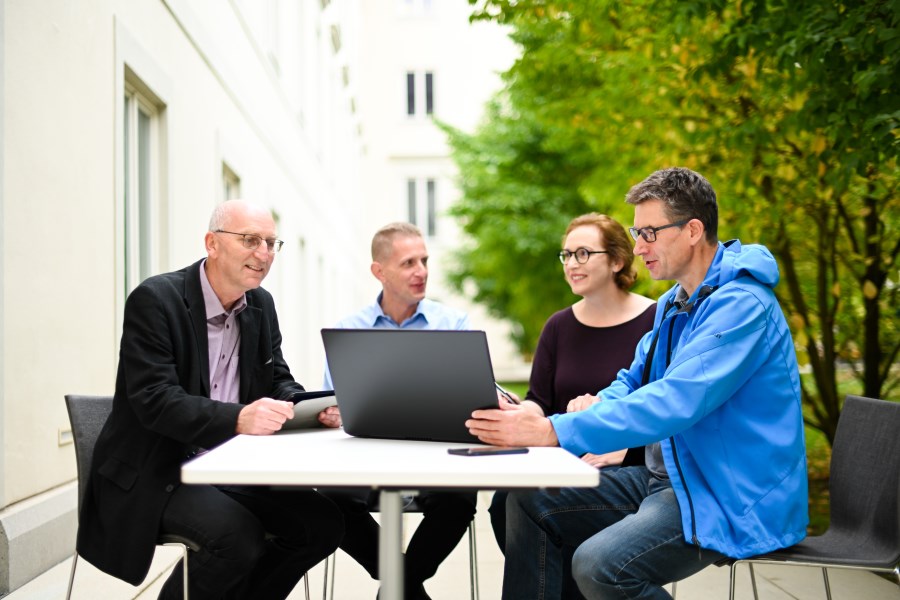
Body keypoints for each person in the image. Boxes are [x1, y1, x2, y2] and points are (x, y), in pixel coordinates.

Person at [466, 167, 808, 599]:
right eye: (636, 231)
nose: (638, 246)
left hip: (726, 493)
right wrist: (595, 407)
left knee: (599, 566)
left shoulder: (742, 306)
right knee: (525, 500)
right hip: (669, 477)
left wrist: (554, 431)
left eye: (649, 232)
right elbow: (632, 379)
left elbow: (676, 400)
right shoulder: (676, 302)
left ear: (692, 231)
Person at [76, 200, 344, 599]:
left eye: (271, 243)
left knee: (324, 524)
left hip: (232, 463)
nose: (264, 253)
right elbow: (155, 400)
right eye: (250, 240)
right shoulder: (155, 300)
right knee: (236, 538)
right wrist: (239, 418)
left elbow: (278, 379)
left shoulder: (261, 305)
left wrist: (304, 407)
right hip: (160, 467)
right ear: (212, 243)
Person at [318, 222, 477, 600]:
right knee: (329, 501)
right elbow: (332, 401)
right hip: (364, 456)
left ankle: (398, 587)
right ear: (379, 271)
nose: (421, 270)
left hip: (436, 455)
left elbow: (467, 399)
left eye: (423, 260)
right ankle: (406, 586)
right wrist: (332, 412)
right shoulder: (348, 331)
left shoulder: (453, 325)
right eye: (408, 262)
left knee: (459, 500)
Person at [488, 213, 656, 554]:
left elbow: (662, 405)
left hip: (622, 463)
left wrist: (625, 452)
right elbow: (539, 399)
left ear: (618, 261)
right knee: (502, 500)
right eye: (566, 255)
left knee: (542, 505)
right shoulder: (558, 326)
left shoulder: (655, 320)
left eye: (583, 253)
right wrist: (518, 414)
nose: (571, 264)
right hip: (559, 456)